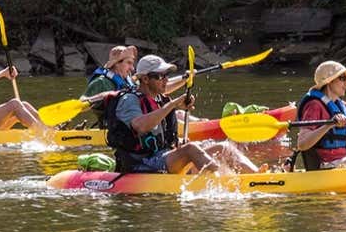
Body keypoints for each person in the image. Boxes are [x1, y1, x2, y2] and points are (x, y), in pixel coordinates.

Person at [106, 54, 263, 174]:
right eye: (160, 76)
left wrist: (178, 141)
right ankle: (224, 184)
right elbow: (140, 126)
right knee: (191, 149)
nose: (166, 80)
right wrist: (173, 104)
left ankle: (257, 176)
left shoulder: (158, 98)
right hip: (141, 163)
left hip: (162, 155)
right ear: (145, 79)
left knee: (222, 147)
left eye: (166, 75)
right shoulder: (129, 100)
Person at [82, 45, 138, 127]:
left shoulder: (127, 81)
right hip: (110, 132)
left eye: (132, 64)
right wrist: (101, 96)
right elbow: (82, 103)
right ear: (116, 64)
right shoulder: (101, 83)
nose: (132, 68)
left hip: (131, 127)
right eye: (129, 63)